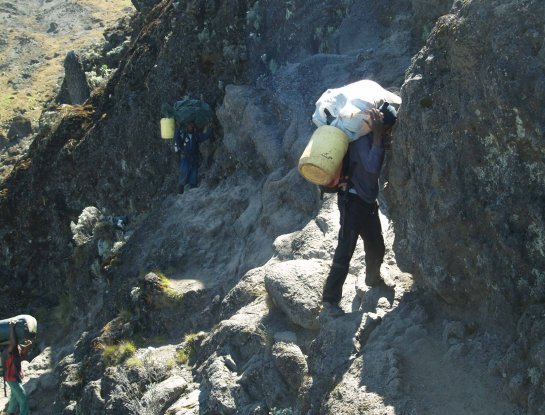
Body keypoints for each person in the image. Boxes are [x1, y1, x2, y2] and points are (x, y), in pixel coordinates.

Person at [321, 102, 397, 317]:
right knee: (345, 249)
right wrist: (377, 136)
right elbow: (372, 167)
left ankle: (372, 278)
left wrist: (380, 138)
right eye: (387, 129)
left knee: (376, 244)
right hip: (352, 200)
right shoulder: (362, 139)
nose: (388, 133)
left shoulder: (372, 137)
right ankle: (330, 299)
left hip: (366, 200)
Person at [173, 121, 213, 194]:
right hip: (185, 157)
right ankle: (180, 191)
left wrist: (210, 128)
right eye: (189, 126)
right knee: (184, 173)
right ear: (186, 127)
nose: (190, 127)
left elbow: (205, 136)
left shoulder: (196, 136)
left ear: (194, 127)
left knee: (194, 175)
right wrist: (178, 129)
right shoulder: (183, 136)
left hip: (194, 158)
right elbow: (176, 140)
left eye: (192, 126)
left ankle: (193, 191)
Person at [2, 321, 32, 415]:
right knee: (23, 398)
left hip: (16, 376)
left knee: (14, 397)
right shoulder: (7, 349)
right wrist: (11, 328)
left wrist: (27, 347)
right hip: (11, 377)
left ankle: (9, 412)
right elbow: (13, 342)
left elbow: (21, 357)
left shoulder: (17, 347)